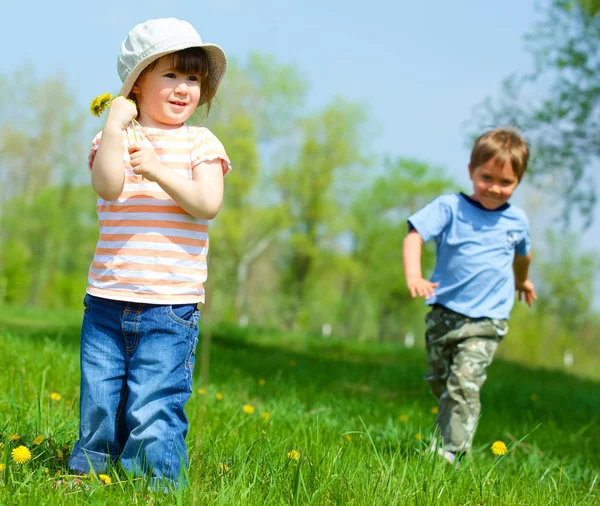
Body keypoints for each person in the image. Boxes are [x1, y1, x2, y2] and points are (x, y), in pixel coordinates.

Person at [68, 18, 230, 486]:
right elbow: (107, 185)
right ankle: (90, 472)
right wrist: (115, 129)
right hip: (107, 296)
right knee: (100, 396)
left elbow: (207, 203)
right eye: (171, 75)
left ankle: (154, 485)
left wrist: (159, 170)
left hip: (170, 305)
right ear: (136, 84)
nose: (184, 89)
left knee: (155, 400)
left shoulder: (201, 142)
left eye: (193, 79)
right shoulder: (114, 139)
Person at [402, 127, 536, 464]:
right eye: (486, 177)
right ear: (470, 172)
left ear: (518, 181)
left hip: (488, 319)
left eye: (506, 183)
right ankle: (443, 437)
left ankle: (453, 451)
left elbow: (523, 255)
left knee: (464, 382)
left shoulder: (517, 220)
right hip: (444, 312)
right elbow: (415, 235)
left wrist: (522, 282)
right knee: (441, 382)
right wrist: (414, 275)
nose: (494, 188)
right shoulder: (450, 208)